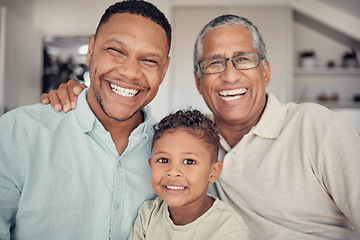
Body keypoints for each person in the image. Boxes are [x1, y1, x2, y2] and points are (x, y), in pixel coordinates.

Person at [41, 14, 360, 239]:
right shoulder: (194, 141)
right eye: (214, 64)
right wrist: (82, 97)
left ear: (265, 72)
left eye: (244, 59)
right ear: (198, 80)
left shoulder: (316, 127)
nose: (230, 75)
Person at [0, 1, 171, 239]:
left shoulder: (175, 153)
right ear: (91, 50)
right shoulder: (18, 133)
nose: (130, 72)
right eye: (116, 51)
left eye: (149, 61)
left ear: (164, 71)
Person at [128, 109, 249, 240]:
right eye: (163, 160)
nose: (173, 171)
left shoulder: (227, 228)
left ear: (213, 172)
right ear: (151, 166)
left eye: (189, 161)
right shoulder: (148, 215)